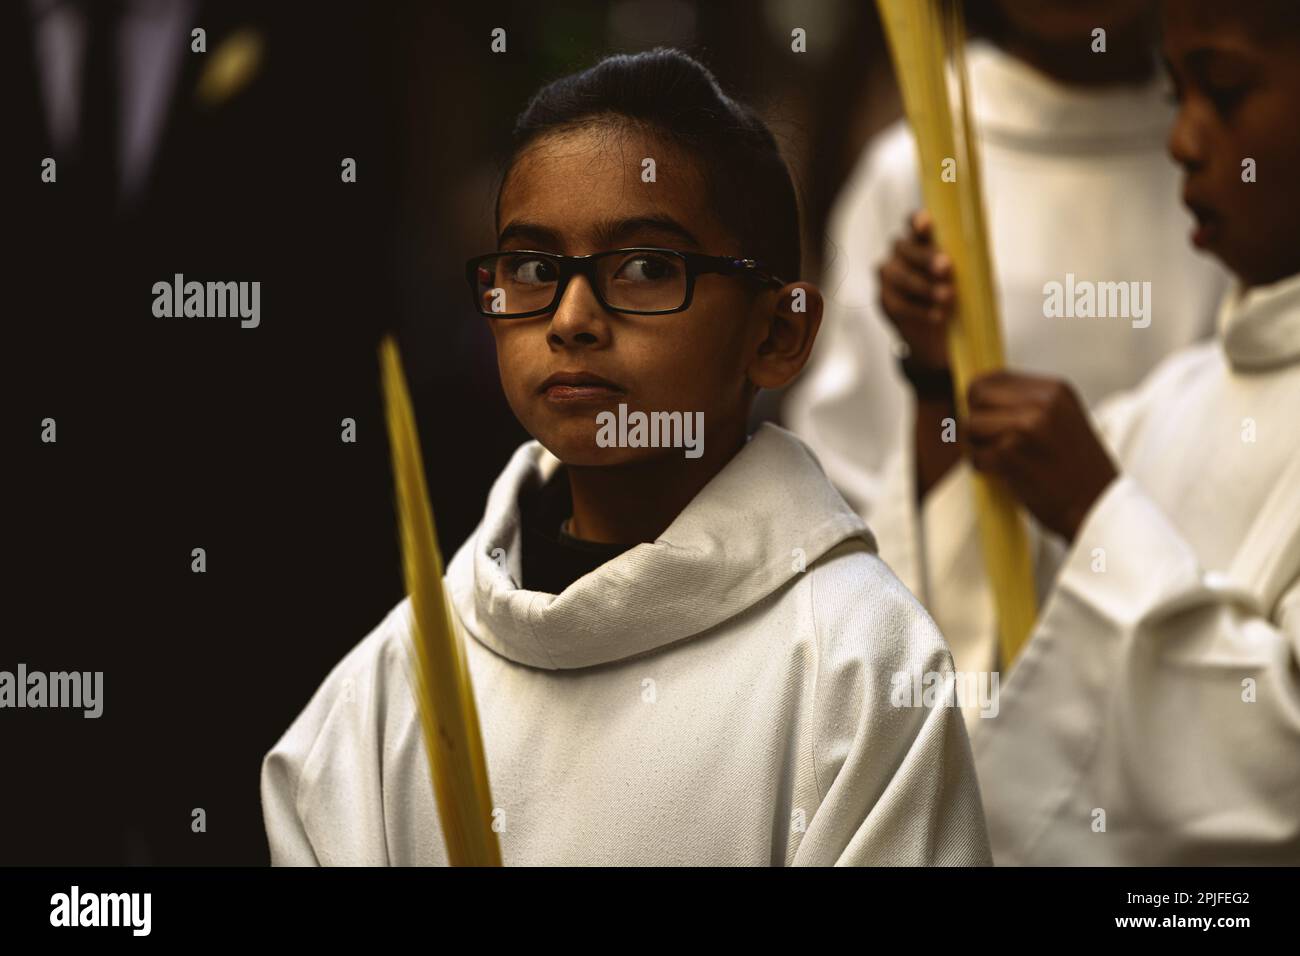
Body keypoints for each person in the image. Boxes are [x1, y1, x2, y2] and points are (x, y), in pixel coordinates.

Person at [259, 48, 992, 866]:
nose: (571, 317)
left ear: (777, 335)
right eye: (533, 268)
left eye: (646, 267)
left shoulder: (857, 663)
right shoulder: (394, 684)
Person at [890, 0, 1300, 864]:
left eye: (1223, 93)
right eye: (1174, 94)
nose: (1181, 143)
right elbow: (1000, 637)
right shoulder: (1167, 405)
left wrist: (1096, 511)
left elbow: (1276, 770)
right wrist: (941, 382)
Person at [784, 0, 1229, 724]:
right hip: (978, 696)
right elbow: (847, 490)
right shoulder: (915, 169)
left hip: (1184, 673)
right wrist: (934, 389)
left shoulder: (1226, 160)